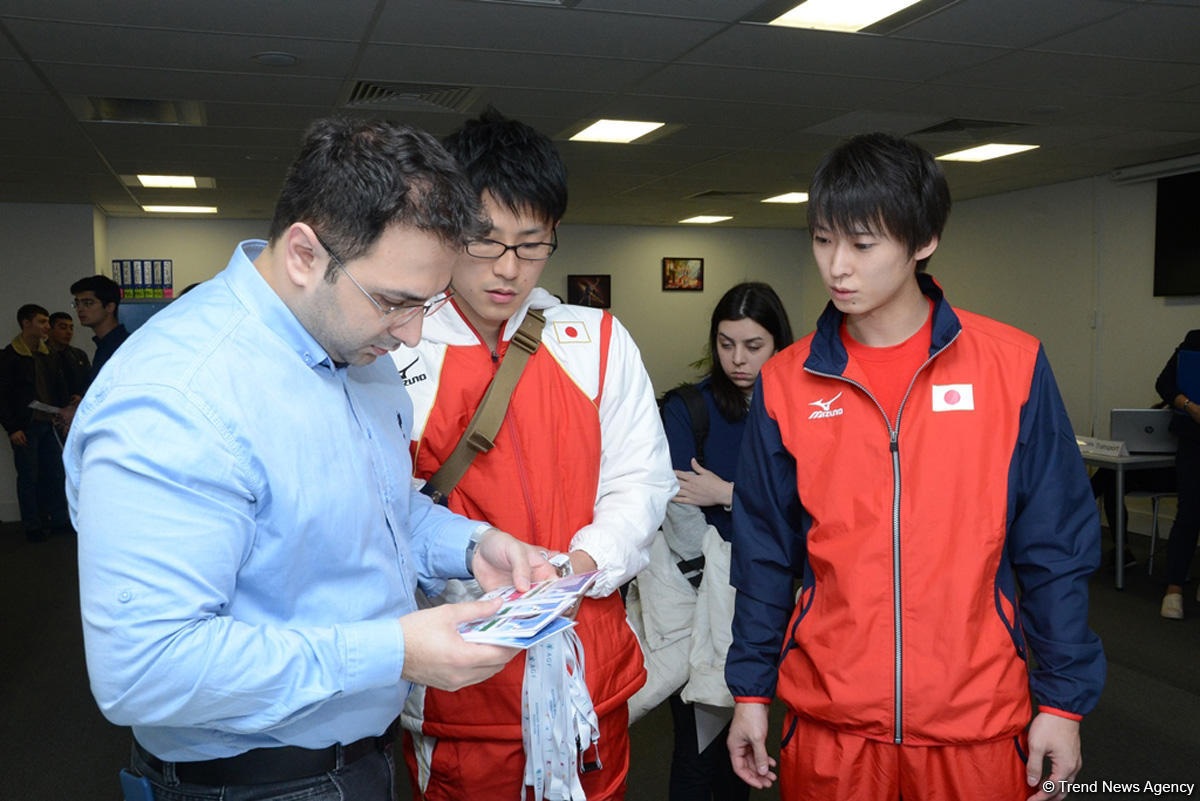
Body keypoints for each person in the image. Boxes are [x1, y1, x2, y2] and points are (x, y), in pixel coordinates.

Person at [66, 116, 557, 801]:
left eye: (428, 303)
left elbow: (375, 507)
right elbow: (144, 669)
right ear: (304, 254)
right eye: (395, 301)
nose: (413, 334)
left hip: (366, 759)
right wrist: (395, 650)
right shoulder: (177, 396)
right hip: (249, 783)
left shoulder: (362, 351)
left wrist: (471, 544)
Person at [725, 133, 1105, 801]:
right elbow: (763, 553)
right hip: (831, 724)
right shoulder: (786, 382)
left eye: (862, 244)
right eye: (821, 239)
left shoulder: (1010, 366)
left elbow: (1054, 548)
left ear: (922, 239)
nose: (836, 265)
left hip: (976, 724)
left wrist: (1064, 701)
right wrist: (751, 689)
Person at [390, 108, 675, 800]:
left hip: (587, 667)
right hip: (460, 685)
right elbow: (379, 510)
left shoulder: (596, 340)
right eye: (484, 242)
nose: (508, 269)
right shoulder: (396, 345)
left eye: (532, 243)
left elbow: (641, 482)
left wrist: (584, 563)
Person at [661, 282, 793, 801]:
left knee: (747, 734)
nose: (738, 359)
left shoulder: (802, 412)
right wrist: (758, 503)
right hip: (696, 596)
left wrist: (726, 493)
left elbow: (813, 514)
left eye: (754, 346)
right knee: (696, 745)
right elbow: (676, 503)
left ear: (779, 343)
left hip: (769, 597)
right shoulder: (687, 408)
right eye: (726, 343)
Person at [0, 303, 72, 542]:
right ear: (26, 323)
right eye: (42, 322)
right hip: (25, 426)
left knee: (56, 473)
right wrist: (12, 428)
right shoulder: (9, 356)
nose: (47, 327)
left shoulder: (48, 354)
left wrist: (64, 410)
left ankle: (60, 520)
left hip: (49, 423)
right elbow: (3, 396)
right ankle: (33, 525)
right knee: (29, 477)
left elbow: (56, 387)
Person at [1156, 329, 1200, 619]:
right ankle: (1174, 589)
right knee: (1189, 513)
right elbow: (1165, 384)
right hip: (1194, 439)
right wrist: (1190, 406)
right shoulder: (1194, 341)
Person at [70, 273, 129, 380]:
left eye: (88, 303)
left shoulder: (121, 347)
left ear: (110, 307)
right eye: (77, 303)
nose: (80, 309)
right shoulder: (104, 344)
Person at [47, 311, 92, 399]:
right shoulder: (41, 354)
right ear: (49, 330)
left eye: (71, 328)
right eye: (63, 328)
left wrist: (81, 396)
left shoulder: (79, 355)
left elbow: (89, 381)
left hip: (76, 405)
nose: (69, 332)